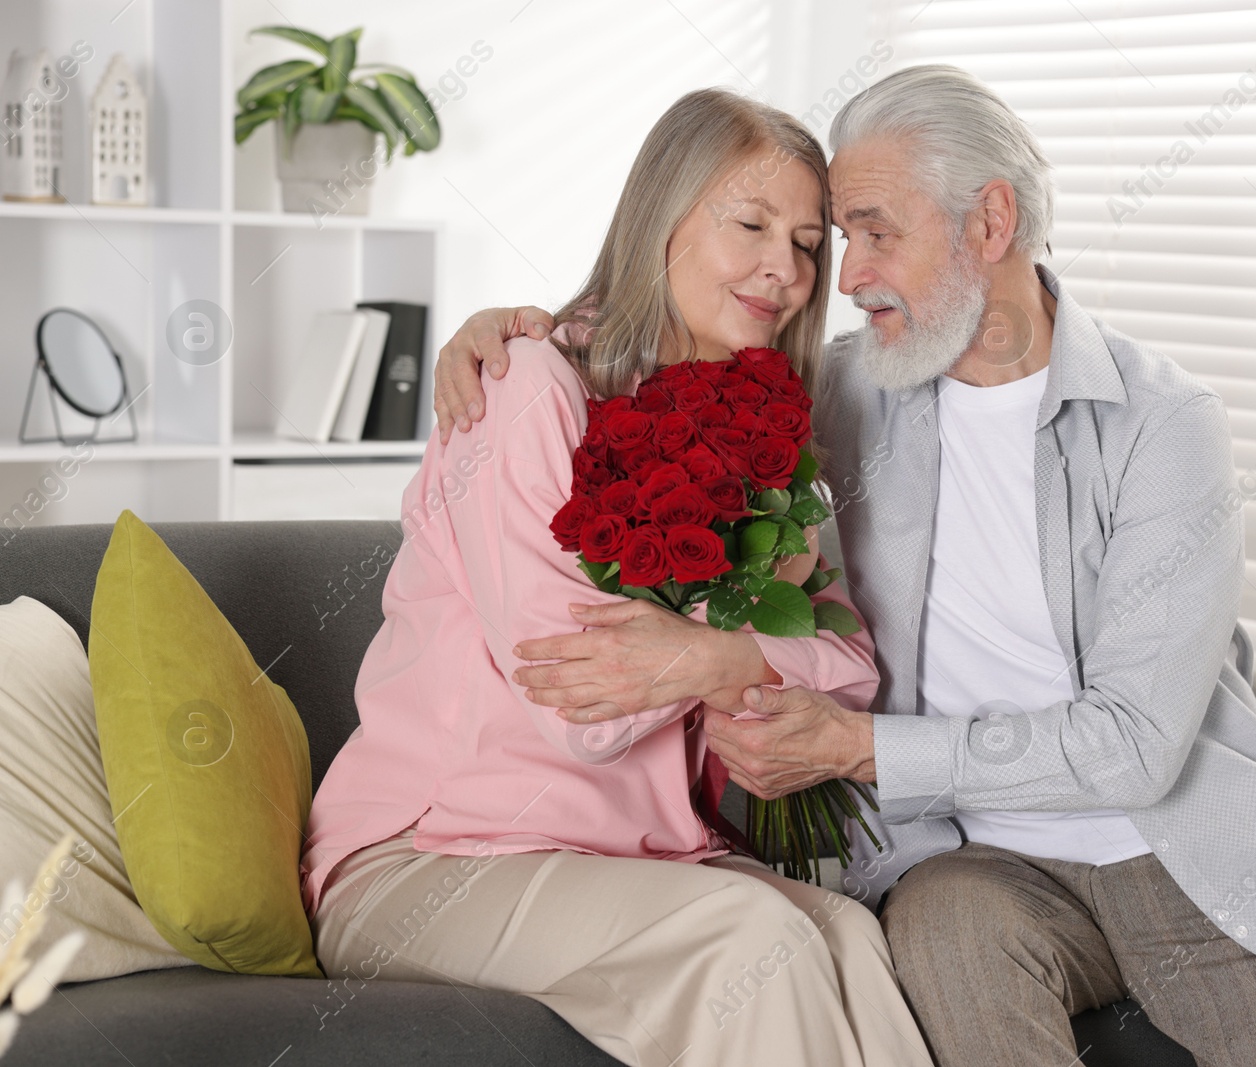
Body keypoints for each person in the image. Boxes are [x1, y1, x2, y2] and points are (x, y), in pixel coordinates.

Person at [432, 65, 1256, 1066]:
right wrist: (511, 330)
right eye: (841, 241)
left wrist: (860, 746)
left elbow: (1136, 747)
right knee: (946, 937)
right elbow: (655, 349)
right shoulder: (831, 395)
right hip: (964, 859)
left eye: (871, 232)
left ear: (989, 222)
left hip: (1180, 846)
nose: (843, 276)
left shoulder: (1160, 422)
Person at [302, 87, 934, 1067]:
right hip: (428, 857)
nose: (787, 268)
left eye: (809, 242)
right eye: (751, 223)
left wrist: (714, 655)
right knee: (751, 939)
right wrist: (741, 663)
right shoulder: (524, 388)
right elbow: (585, 709)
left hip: (638, 856)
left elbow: (849, 670)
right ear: (661, 219)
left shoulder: (772, 433)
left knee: (849, 936)